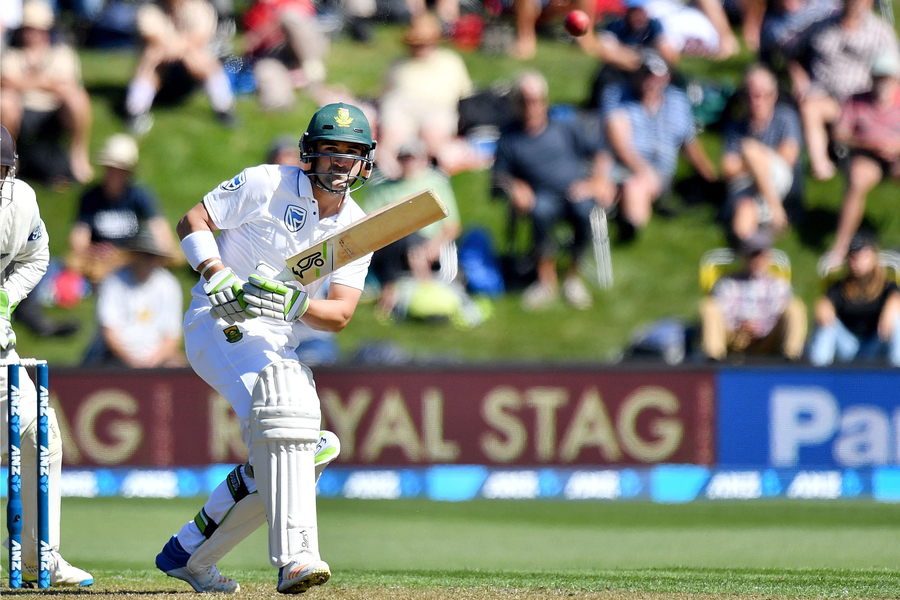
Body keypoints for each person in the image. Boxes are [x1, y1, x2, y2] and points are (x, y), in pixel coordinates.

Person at [154, 103, 375, 594]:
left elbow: (338, 315)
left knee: (304, 449)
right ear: (308, 152)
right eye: (330, 150)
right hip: (219, 320)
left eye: (351, 153)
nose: (340, 162)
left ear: (366, 161)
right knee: (290, 415)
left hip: (277, 339)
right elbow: (192, 220)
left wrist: (297, 304)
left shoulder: (357, 228)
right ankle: (297, 559)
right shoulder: (265, 183)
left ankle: (189, 552)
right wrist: (216, 274)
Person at [0, 126, 94, 587]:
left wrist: (5, 298)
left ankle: (41, 558)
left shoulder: (20, 200)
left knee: (42, 433)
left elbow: (37, 257)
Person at [493, 70, 610, 311]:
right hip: (541, 195)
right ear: (516, 103)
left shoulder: (565, 127)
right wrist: (515, 186)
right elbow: (499, 177)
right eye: (525, 100)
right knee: (541, 211)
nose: (531, 106)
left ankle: (573, 277)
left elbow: (600, 151)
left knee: (583, 210)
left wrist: (597, 181)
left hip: (575, 191)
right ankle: (546, 281)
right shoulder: (509, 138)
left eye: (536, 100)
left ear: (545, 101)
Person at [606, 52, 717, 239]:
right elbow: (618, 141)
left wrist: (711, 179)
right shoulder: (618, 96)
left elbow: (689, 144)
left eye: (655, 76)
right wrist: (641, 168)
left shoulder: (677, 101)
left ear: (666, 78)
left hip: (657, 171)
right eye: (645, 74)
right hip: (621, 165)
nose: (649, 81)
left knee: (635, 186)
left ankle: (631, 225)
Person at [789, 0, 899, 180]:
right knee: (809, 107)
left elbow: (894, 70)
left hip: (863, 103)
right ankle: (821, 166)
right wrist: (798, 78)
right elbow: (793, 53)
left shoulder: (881, 31)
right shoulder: (820, 27)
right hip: (827, 97)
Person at [364, 138, 461, 317]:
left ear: (423, 160)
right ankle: (423, 289)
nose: (409, 163)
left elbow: (452, 225)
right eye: (405, 158)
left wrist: (434, 246)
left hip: (427, 244)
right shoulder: (382, 188)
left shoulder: (436, 183)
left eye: (413, 158)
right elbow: (368, 224)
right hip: (389, 245)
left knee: (410, 237)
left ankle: (396, 290)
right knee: (401, 232)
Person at [0, 0, 93, 184]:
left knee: (77, 98)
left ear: (46, 30)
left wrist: (26, 82)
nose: (30, 34)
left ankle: (78, 153)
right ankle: (9, 160)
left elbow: (68, 86)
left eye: (35, 29)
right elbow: (6, 81)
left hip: (54, 111)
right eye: (27, 29)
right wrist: (46, 82)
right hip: (22, 110)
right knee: (5, 101)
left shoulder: (62, 53)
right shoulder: (12, 54)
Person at [67, 133, 178, 283]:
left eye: (119, 169)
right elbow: (79, 237)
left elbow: (159, 229)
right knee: (72, 261)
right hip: (99, 256)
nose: (113, 174)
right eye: (110, 168)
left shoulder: (140, 196)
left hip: (132, 253)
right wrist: (93, 250)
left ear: (128, 172)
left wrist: (161, 250)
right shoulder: (90, 197)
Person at [376, 13, 473, 179]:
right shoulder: (399, 63)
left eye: (424, 43)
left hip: (437, 107)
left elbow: (465, 94)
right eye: (416, 44)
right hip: (401, 106)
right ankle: (389, 174)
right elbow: (383, 93)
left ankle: (428, 173)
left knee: (434, 135)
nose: (420, 48)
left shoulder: (450, 61)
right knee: (393, 135)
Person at [824, 52, 900, 263]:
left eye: (887, 77)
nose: (882, 82)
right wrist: (869, 144)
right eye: (878, 76)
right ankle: (840, 247)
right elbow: (839, 133)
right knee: (857, 180)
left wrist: (895, 147)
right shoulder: (855, 100)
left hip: (897, 157)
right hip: (867, 156)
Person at [124, 0, 235, 135]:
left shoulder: (200, 7)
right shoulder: (149, 9)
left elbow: (200, 37)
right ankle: (136, 111)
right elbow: (152, 37)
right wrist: (177, 47)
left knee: (200, 59)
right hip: (161, 73)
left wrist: (177, 49)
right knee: (152, 56)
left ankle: (224, 109)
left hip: (190, 74)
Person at [82, 228, 186, 368]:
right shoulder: (113, 282)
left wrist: (152, 361)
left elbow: (172, 336)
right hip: (116, 356)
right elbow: (109, 332)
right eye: (143, 255)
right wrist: (132, 362)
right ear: (135, 255)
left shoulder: (169, 285)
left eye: (152, 256)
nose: (147, 261)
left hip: (157, 359)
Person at [721, 64, 802, 242]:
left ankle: (774, 209)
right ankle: (753, 255)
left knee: (749, 148)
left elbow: (789, 156)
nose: (753, 101)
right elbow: (727, 169)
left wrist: (753, 159)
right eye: (748, 96)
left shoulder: (786, 117)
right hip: (748, 184)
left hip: (779, 178)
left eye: (758, 96)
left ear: (773, 95)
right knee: (744, 211)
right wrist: (757, 165)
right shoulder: (737, 125)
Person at [700, 231, 807, 361]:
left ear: (769, 257)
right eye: (752, 254)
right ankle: (714, 360)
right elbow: (722, 314)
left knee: (795, 307)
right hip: (735, 336)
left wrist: (759, 327)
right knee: (708, 306)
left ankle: (791, 358)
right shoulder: (727, 283)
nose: (757, 259)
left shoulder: (779, 286)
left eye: (761, 254)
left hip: (766, 339)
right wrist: (741, 324)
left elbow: (778, 315)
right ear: (744, 257)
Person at [809, 231, 900, 366]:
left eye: (861, 256)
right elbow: (825, 305)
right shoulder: (839, 288)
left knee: (897, 321)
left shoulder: (887, 287)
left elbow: (895, 299)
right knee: (826, 325)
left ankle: (896, 374)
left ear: (873, 256)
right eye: (852, 257)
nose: (855, 262)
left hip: (875, 345)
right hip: (847, 347)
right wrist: (823, 307)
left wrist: (892, 308)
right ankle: (816, 374)